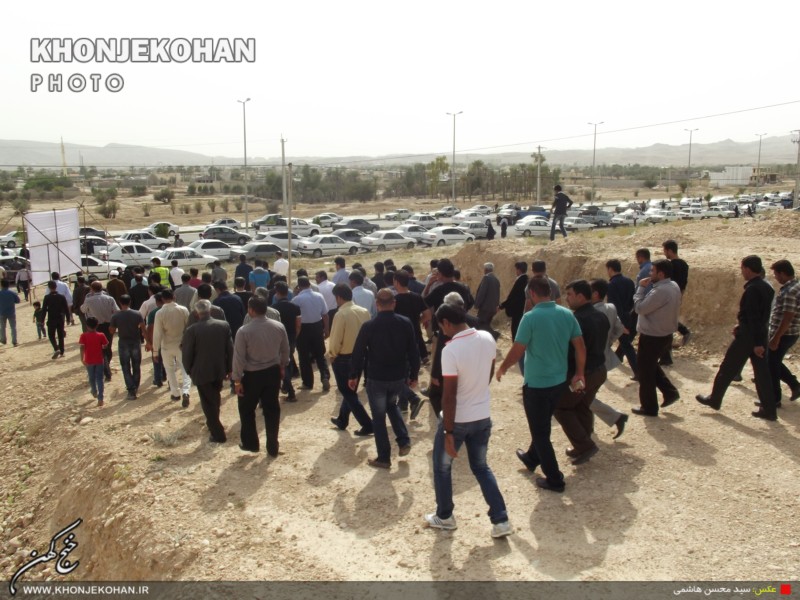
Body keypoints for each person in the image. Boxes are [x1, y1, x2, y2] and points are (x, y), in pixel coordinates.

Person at [425, 302, 512, 538]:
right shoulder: (486, 337)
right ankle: (501, 520)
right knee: (482, 467)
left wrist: (449, 432)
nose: (442, 331)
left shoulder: (450, 350)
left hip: (459, 419)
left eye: (441, 326)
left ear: (446, 323)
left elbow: (449, 395)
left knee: (442, 468)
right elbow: (488, 375)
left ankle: (445, 516)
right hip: (482, 415)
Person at [496, 277, 585, 493]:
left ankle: (555, 478)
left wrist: (503, 367)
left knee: (540, 432)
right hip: (559, 381)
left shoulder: (530, 318)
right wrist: (580, 373)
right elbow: (580, 347)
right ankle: (530, 458)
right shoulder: (566, 314)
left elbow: (518, 349)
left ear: (533, 294)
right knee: (543, 422)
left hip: (537, 384)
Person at [696, 255, 776, 420]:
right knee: (762, 375)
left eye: (742, 269)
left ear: (747, 269)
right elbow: (761, 318)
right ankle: (769, 409)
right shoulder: (766, 287)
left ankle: (715, 399)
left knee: (727, 368)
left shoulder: (753, 289)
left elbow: (752, 318)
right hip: (758, 336)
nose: (742, 272)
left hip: (748, 338)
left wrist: (754, 342)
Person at [349, 289, 420, 469]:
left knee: (379, 418)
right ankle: (403, 441)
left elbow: (358, 353)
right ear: (394, 303)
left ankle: (384, 457)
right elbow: (413, 350)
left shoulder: (369, 326)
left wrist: (353, 375)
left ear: (376, 304)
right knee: (391, 406)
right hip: (398, 377)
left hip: (377, 377)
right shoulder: (405, 323)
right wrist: (414, 375)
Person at [554, 280, 609, 465]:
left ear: (580, 296)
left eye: (569, 294)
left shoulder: (576, 319)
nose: (567, 299)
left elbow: (573, 350)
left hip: (584, 373)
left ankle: (585, 445)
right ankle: (582, 445)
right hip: (599, 370)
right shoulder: (600, 316)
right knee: (581, 406)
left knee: (561, 407)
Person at [233, 296, 290, 457]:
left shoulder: (244, 331)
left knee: (247, 409)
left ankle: (251, 444)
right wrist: (283, 366)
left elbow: (239, 358)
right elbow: (285, 350)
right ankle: (272, 446)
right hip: (272, 372)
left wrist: (237, 380)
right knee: (272, 409)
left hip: (251, 376)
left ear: (251, 310)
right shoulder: (279, 326)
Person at [632, 259, 682, 417]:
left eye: (653, 271)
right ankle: (670, 392)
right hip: (664, 335)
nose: (650, 273)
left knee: (645, 373)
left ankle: (649, 407)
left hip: (652, 336)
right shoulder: (673, 285)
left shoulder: (660, 291)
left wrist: (640, 288)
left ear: (661, 274)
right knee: (650, 366)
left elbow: (640, 308)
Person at [183, 299, 234, 444]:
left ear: (196, 313)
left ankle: (218, 433)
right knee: (215, 398)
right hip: (219, 369)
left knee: (207, 402)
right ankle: (214, 424)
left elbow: (187, 353)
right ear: (210, 311)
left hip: (201, 371)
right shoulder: (223, 325)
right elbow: (230, 349)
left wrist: (189, 370)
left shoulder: (192, 330)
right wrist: (230, 368)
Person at [328, 284, 374, 435]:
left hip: (343, 358)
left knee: (348, 392)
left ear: (339, 297)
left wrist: (332, 355)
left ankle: (367, 424)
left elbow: (335, 339)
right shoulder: (364, 311)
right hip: (360, 356)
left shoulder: (341, 314)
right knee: (350, 389)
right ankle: (342, 420)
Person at [590, 278, 629, 439]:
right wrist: (608, 342)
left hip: (592, 362)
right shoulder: (611, 308)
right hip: (604, 358)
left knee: (584, 398)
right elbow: (619, 329)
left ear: (596, 294)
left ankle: (616, 417)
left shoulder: (592, 313)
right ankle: (588, 430)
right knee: (587, 396)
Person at [765, 260, 800, 405]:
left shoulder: (790, 291)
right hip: (791, 332)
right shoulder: (796, 286)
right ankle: (794, 386)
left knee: (771, 364)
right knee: (773, 361)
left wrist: (775, 338)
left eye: (776, 274)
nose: (776, 278)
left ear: (783, 273)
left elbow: (787, 317)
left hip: (785, 334)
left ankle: (774, 398)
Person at [153, 288, 192, 407]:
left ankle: (175, 393)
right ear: (174, 297)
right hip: (182, 344)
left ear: (163, 299)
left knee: (170, 370)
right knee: (185, 369)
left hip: (167, 346)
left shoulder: (159, 313)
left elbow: (157, 333)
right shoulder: (183, 310)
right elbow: (189, 328)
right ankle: (186, 391)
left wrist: (155, 351)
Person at [292, 276, 331, 392]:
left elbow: (295, 319)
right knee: (320, 354)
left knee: (304, 357)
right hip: (317, 326)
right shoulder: (319, 296)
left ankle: (308, 383)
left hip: (303, 329)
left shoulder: (297, 299)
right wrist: (326, 329)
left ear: (299, 286)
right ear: (309, 284)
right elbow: (325, 314)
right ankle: (325, 376)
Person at [661, 240, 692, 365]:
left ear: (669, 250)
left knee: (666, 326)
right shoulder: (684, 264)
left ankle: (666, 356)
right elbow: (684, 283)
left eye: (665, 250)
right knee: (669, 322)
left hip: (669, 297)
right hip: (678, 295)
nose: (664, 253)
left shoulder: (670, 266)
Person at [81, 281, 119, 382]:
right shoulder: (109, 298)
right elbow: (116, 310)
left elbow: (83, 310)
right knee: (108, 346)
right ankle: (107, 366)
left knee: (100, 350)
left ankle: (105, 370)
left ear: (92, 289)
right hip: (108, 325)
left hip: (95, 326)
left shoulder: (89, 300)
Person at [606, 259, 638, 379]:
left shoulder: (611, 285)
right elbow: (633, 301)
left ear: (610, 269)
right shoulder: (629, 281)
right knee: (626, 345)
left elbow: (614, 306)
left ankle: (638, 371)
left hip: (618, 319)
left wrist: (617, 323)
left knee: (625, 346)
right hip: (629, 317)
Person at [109, 295, 145, 400]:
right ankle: (135, 385)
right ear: (130, 302)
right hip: (135, 342)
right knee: (136, 365)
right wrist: (148, 341)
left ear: (120, 303)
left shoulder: (116, 316)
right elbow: (143, 328)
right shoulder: (137, 314)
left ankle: (131, 389)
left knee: (125, 366)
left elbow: (111, 331)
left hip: (123, 343)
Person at [271, 281, 301, 402]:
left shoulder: (274, 309)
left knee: (284, 365)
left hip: (279, 340)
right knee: (288, 361)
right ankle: (286, 387)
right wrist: (295, 336)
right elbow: (298, 325)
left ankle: (291, 391)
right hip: (292, 337)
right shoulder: (295, 307)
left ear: (277, 293)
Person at [79, 317, 109, 407]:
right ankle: (100, 398)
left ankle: (94, 391)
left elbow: (82, 347)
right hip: (99, 360)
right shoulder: (101, 335)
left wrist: (82, 358)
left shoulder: (83, 336)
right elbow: (105, 345)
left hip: (89, 360)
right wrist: (103, 347)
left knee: (91, 378)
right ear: (97, 325)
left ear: (87, 326)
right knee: (100, 379)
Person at [499, 261, 528, 342]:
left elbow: (513, 297)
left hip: (518, 311)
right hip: (523, 310)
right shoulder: (526, 279)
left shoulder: (521, 280)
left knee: (515, 331)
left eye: (516, 269)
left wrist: (501, 306)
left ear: (519, 270)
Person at [41, 280, 70, 358]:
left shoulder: (47, 297)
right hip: (60, 318)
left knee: (51, 335)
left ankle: (56, 348)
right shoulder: (61, 296)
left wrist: (42, 320)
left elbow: (44, 309)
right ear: (56, 287)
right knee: (60, 335)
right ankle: (62, 351)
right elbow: (66, 308)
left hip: (51, 318)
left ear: (49, 288)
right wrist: (68, 318)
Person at [474, 262, 501, 338]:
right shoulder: (496, 279)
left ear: (485, 269)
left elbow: (482, 293)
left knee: (480, 324)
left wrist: (477, 304)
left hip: (485, 308)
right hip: (492, 308)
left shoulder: (486, 278)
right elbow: (498, 294)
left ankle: (494, 334)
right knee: (486, 324)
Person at [0, 279, 20, 347]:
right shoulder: (12, 293)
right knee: (13, 327)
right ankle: (14, 341)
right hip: (11, 312)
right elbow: (18, 301)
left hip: (2, 312)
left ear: (1, 285)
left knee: (2, 327)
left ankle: (3, 340)